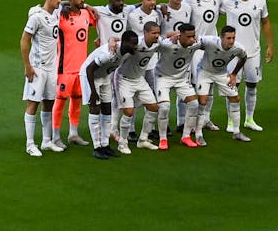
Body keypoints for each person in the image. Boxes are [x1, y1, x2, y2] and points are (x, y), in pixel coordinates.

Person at [223, 0, 274, 131]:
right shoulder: (229, 2)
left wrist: (270, 46)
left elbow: (265, 22)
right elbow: (208, 2)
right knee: (232, 86)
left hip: (253, 52)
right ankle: (231, 121)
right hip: (233, 53)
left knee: (252, 85)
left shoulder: (260, 1)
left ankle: (249, 119)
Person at [20, 0, 65, 156]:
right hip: (37, 68)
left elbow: (69, 3)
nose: (59, 0)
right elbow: (24, 41)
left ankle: (47, 141)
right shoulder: (36, 18)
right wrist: (28, 66)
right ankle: (30, 144)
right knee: (33, 104)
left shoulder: (57, 11)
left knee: (49, 102)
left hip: (51, 69)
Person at [81, 31, 139, 160]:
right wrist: (93, 92)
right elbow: (89, 69)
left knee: (107, 110)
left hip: (105, 76)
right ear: (125, 43)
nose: (136, 46)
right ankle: (97, 147)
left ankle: (105, 145)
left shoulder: (126, 49)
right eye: (133, 44)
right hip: (90, 76)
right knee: (95, 109)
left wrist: (112, 38)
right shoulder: (109, 54)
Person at [52, 0, 97, 147]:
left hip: (81, 68)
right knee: (60, 101)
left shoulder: (85, 14)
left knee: (77, 100)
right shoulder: (61, 16)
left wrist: (87, 6)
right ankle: (55, 136)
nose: (82, 0)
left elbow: (98, 21)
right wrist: (63, 5)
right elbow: (51, 7)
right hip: (65, 68)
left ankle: (73, 133)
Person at [115, 22, 169, 154]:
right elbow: (118, 44)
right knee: (128, 111)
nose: (157, 36)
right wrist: (111, 41)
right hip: (124, 79)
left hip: (139, 79)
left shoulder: (158, 42)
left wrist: (174, 36)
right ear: (145, 33)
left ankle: (143, 139)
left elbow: (167, 37)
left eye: (158, 32)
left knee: (153, 108)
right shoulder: (135, 43)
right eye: (153, 33)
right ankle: (122, 143)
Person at [192, 27, 251, 145]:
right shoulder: (210, 41)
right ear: (221, 37)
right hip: (204, 72)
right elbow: (194, 41)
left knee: (235, 98)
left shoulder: (238, 48)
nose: (231, 41)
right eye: (228, 38)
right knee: (203, 101)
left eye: (233, 38)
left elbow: (243, 57)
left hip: (221, 74)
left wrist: (234, 74)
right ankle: (198, 134)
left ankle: (236, 132)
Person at [187, 0, 231, 130]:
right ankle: (191, 121)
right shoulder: (190, 1)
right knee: (196, 84)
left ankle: (206, 118)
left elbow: (236, 3)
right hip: (197, 48)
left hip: (213, 48)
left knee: (210, 83)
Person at [152, 23, 205, 149]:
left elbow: (213, 41)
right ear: (180, 36)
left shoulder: (195, 44)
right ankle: (163, 138)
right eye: (189, 37)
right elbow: (154, 39)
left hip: (181, 79)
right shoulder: (167, 45)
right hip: (163, 78)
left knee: (194, 104)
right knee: (164, 107)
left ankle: (186, 136)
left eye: (193, 36)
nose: (192, 39)